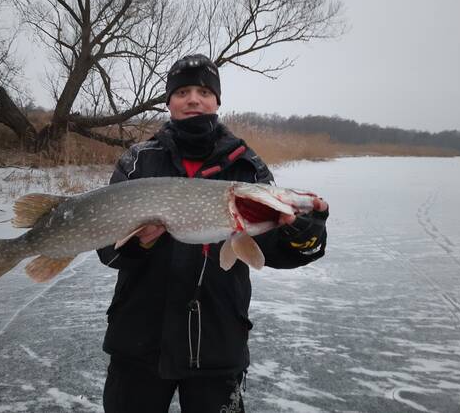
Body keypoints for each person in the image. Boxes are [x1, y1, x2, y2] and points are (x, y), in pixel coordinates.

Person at [96, 54, 329, 413]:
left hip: (217, 345)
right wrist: (139, 244)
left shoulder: (245, 166)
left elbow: (282, 251)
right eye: (183, 91)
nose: (193, 99)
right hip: (138, 342)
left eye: (204, 91)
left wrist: (303, 230)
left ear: (217, 101)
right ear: (169, 101)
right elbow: (107, 249)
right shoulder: (138, 161)